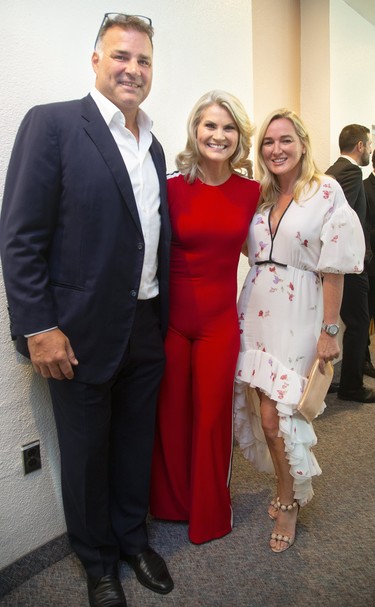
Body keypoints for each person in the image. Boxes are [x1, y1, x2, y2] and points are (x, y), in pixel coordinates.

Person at [0, 13, 173, 607]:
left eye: (144, 60)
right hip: (75, 333)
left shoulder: (152, 144)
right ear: (95, 60)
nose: (133, 68)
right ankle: (97, 563)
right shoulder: (52, 125)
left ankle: (131, 539)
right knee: (84, 454)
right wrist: (39, 327)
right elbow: (20, 236)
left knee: (133, 444)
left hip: (146, 326)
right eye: (121, 56)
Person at [234, 109, 365, 553]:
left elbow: (335, 268)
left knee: (279, 417)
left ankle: (289, 502)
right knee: (262, 412)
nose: (276, 149)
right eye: (268, 142)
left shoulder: (324, 192)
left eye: (285, 140)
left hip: (300, 312)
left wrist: (331, 329)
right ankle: (285, 489)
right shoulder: (261, 197)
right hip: (255, 313)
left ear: (303, 144)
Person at [150, 90, 260, 544]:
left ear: (240, 136)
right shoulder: (170, 185)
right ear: (196, 130)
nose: (218, 135)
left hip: (219, 325)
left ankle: (211, 511)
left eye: (228, 127)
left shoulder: (253, 191)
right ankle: (172, 506)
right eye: (210, 125)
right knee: (171, 415)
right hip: (170, 322)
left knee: (213, 419)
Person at [325, 124, 375, 402]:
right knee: (357, 323)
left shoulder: (332, 169)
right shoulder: (352, 172)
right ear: (359, 146)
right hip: (349, 266)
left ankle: (334, 381)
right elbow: (338, 216)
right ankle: (352, 387)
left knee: (342, 323)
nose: (369, 150)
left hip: (338, 264)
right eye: (368, 145)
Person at [364, 150, 375, 362]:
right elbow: (364, 227)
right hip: (372, 265)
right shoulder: (365, 187)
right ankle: (364, 361)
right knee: (367, 315)